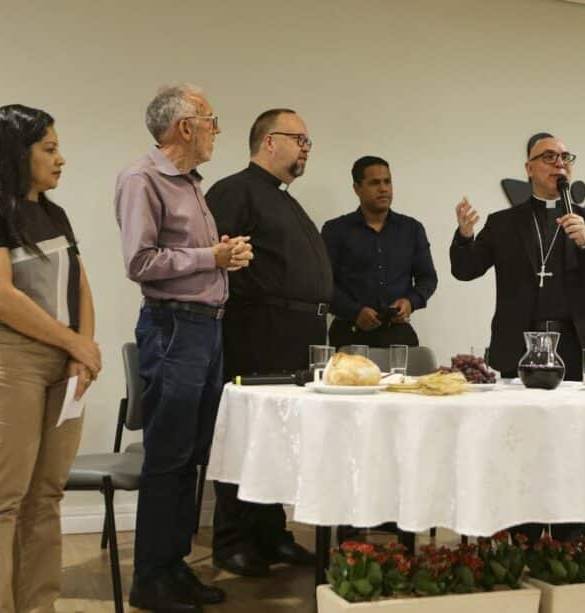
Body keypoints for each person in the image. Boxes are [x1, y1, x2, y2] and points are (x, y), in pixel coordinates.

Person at [0, 105, 100, 612]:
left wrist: (85, 350)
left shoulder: (53, 212)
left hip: (63, 361)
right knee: (1, 500)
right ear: (18, 152)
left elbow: (79, 283)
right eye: (49, 149)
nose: (61, 160)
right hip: (6, 358)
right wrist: (73, 342)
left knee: (45, 497)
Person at [449, 132, 585, 543]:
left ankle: (572, 538)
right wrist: (463, 234)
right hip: (519, 349)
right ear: (529, 169)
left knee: (574, 449)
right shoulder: (504, 222)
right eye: (548, 157)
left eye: (565, 157)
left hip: (576, 348)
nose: (558, 163)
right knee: (522, 448)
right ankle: (523, 535)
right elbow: (465, 269)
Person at [115, 84, 252, 613]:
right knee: (168, 458)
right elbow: (140, 263)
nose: (218, 130)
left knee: (193, 456)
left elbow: (192, 255)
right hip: (174, 328)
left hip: (205, 328)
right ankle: (151, 579)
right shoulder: (141, 179)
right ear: (185, 128)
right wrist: (209, 258)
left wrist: (221, 257)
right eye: (212, 120)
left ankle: (174, 569)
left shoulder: (193, 184)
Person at [206, 108, 330, 577]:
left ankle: (271, 533)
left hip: (295, 335)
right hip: (256, 331)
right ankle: (232, 539)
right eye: (299, 138)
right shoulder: (235, 190)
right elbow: (218, 256)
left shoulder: (282, 197)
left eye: (308, 141)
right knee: (248, 437)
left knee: (279, 440)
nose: (305, 148)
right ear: (268, 141)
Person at [321, 156, 438, 347]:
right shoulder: (336, 230)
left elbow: (428, 278)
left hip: (398, 335)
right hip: (349, 334)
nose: (383, 188)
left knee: (406, 377)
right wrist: (354, 311)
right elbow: (323, 284)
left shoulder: (411, 229)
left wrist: (410, 302)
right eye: (374, 183)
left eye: (387, 181)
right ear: (357, 188)